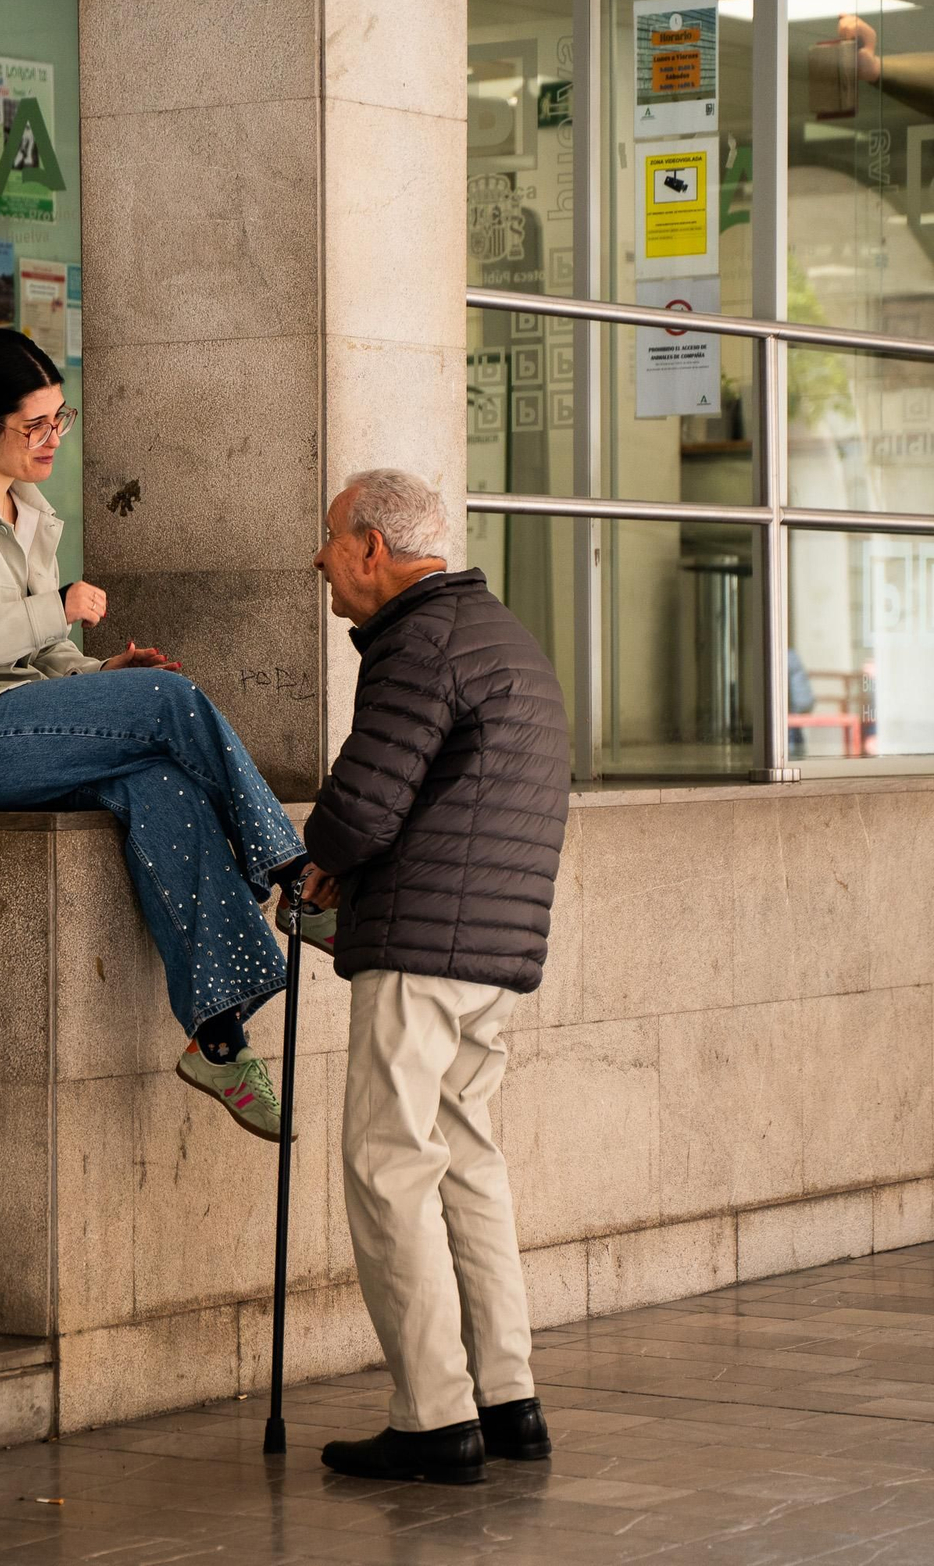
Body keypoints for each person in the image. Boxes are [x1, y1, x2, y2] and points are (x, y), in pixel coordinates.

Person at [0, 329, 311, 1140]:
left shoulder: (28, 508)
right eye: (37, 426)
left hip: (1, 725)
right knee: (169, 702)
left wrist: (103, 674)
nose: (54, 439)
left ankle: (219, 1038)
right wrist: (52, 607)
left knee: (156, 776)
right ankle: (296, 875)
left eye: (63, 419)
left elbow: (41, 657)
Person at [301, 469, 570, 1486]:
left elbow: (365, 802)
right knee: (466, 1160)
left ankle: (431, 1415)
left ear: (371, 547)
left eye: (328, 541)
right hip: (490, 952)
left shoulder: (419, 640)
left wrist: (317, 856)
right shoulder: (497, 631)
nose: (319, 562)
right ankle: (507, 1398)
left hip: (421, 945)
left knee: (386, 1163)